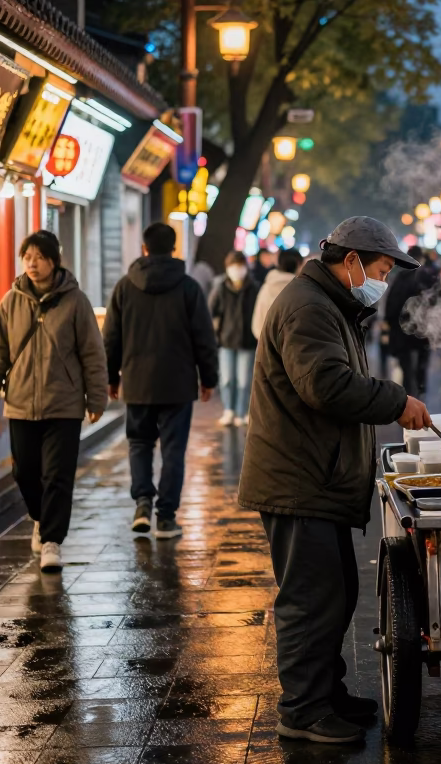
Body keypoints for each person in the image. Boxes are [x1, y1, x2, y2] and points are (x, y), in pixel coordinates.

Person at [239, 216, 432, 745]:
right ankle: (301, 710)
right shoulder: (307, 307)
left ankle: (327, 692)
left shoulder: (330, 304)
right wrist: (397, 401)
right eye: (381, 269)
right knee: (310, 599)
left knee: (337, 593)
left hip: (316, 474)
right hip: (299, 478)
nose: (383, 281)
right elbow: (326, 386)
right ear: (350, 262)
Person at [0, 231, 108, 572]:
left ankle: (52, 541)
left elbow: (92, 355)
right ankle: (39, 518)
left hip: (64, 405)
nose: (32, 264)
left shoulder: (75, 301)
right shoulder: (11, 301)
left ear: (54, 261)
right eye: (27, 258)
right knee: (25, 473)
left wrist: (96, 398)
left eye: (39, 257)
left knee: (58, 475)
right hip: (21, 403)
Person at [103, 222, 219, 539]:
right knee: (173, 451)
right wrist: (208, 377)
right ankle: (166, 518)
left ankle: (142, 502)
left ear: (144, 249)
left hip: (137, 383)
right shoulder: (188, 287)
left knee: (139, 444)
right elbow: (204, 339)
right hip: (178, 383)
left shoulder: (125, 287)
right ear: (174, 249)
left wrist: (112, 377)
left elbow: (111, 338)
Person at [210, 251, 259, 427]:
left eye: (240, 266)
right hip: (226, 341)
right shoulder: (221, 287)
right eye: (233, 266)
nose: (237, 270)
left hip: (248, 341)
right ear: (227, 268)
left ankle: (242, 411)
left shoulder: (254, 288)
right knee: (227, 379)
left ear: (245, 267)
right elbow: (211, 309)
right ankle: (228, 410)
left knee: (244, 380)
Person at [385, 245, 437, 398]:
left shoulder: (400, 277)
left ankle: (409, 396)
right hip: (423, 330)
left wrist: (390, 323)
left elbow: (391, 305)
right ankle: (420, 391)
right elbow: (436, 302)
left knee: (407, 368)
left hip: (402, 332)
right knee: (422, 364)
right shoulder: (428, 276)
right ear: (421, 258)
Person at [252, 249, 304, 340]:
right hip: (293, 347)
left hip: (266, 345)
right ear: (298, 264)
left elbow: (257, 321)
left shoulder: (267, 286)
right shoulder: (301, 290)